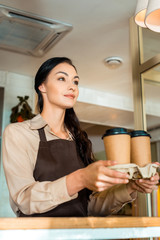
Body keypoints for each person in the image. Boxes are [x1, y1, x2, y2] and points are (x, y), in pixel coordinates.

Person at [2, 57, 159, 217]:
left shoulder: (80, 140)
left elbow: (90, 208)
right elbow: (24, 199)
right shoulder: (19, 133)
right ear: (42, 86)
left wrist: (131, 187)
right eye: (62, 78)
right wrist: (80, 178)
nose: (72, 87)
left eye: (75, 82)